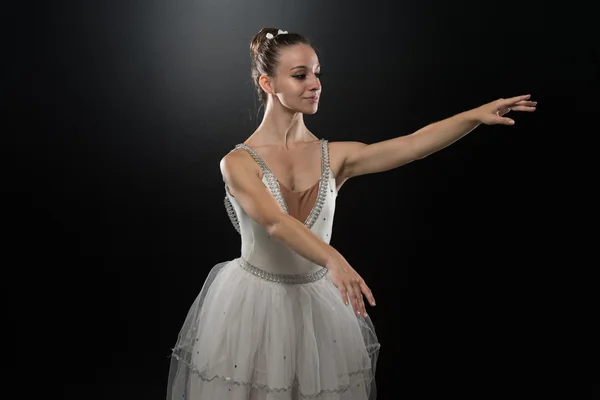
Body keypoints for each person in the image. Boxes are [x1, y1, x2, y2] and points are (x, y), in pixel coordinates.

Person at [166, 27, 536, 400]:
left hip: (317, 309)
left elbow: (411, 146)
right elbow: (276, 222)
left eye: (316, 73)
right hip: (253, 305)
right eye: (300, 75)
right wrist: (335, 260)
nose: (315, 84)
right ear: (267, 82)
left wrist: (474, 116)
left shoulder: (336, 156)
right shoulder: (237, 163)